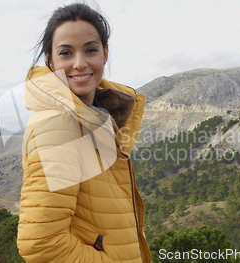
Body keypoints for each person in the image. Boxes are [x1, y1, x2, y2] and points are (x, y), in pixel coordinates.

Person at [17, 3, 151, 263]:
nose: (79, 63)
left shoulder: (94, 117)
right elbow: (41, 244)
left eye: (90, 50)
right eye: (66, 53)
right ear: (50, 60)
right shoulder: (61, 124)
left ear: (105, 53)